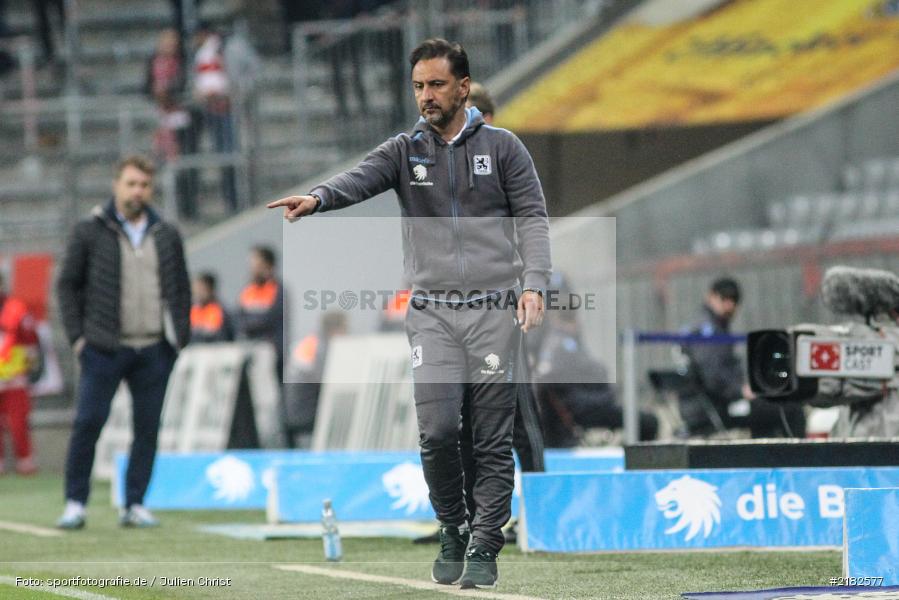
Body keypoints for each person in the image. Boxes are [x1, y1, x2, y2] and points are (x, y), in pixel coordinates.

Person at [268, 38, 551, 589]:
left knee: (492, 437)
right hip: (433, 314)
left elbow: (534, 219)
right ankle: (452, 523)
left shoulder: (506, 148)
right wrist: (318, 198)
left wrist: (534, 285)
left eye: (437, 84)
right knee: (441, 431)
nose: (426, 95)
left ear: (463, 87)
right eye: (419, 85)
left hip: (495, 310)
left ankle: (486, 543)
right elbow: (358, 178)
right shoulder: (404, 150)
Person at [55, 155, 191, 529]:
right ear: (116, 184)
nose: (138, 191)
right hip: (103, 348)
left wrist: (179, 337)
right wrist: (78, 338)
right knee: (88, 423)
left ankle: (134, 503)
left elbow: (180, 286)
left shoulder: (166, 232)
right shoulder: (90, 230)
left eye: (144, 185)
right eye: (131, 184)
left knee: (147, 429)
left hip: (154, 348)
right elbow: (67, 284)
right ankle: (75, 502)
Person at [678, 277, 805, 438]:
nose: (730, 305)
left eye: (734, 300)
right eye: (725, 298)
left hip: (706, 406)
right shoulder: (708, 331)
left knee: (766, 409)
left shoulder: (704, 325)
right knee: (788, 408)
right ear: (710, 296)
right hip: (714, 408)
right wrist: (740, 391)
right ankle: (796, 461)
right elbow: (713, 377)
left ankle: (763, 459)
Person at [534, 296, 658, 446]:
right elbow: (595, 373)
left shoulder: (556, 344)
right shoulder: (565, 346)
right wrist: (605, 397)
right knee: (649, 422)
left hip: (583, 406)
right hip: (586, 409)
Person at [146, 28, 199, 220]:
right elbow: (146, 86)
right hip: (162, 121)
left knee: (185, 165)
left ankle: (188, 206)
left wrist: (171, 95)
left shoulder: (182, 63)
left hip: (180, 119)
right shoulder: (153, 62)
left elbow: (186, 85)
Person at [283, 311, 348, 448]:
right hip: (308, 416)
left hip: (293, 412)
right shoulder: (322, 348)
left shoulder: (308, 343)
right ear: (336, 330)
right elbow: (327, 382)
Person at [192, 23, 238, 212]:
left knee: (231, 154)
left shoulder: (224, 49)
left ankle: (235, 198)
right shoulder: (202, 54)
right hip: (211, 109)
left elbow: (233, 75)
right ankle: (230, 199)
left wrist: (229, 92)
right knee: (222, 155)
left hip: (229, 109)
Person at [0, 271, 40, 475]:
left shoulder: (16, 310)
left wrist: (32, 366)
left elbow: (31, 340)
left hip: (14, 377)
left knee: (18, 423)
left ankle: (26, 463)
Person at [190, 272, 233, 343]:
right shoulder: (192, 310)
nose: (198, 292)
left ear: (211, 289)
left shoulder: (219, 311)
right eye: (196, 289)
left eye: (201, 289)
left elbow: (222, 336)